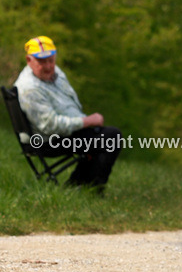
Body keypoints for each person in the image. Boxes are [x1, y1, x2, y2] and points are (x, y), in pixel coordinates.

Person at [14, 35, 122, 192]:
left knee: (104, 136)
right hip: (47, 141)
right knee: (111, 137)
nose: (48, 66)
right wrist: (87, 122)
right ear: (29, 60)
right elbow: (50, 126)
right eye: (42, 62)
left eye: (51, 60)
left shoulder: (54, 72)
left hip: (65, 132)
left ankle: (78, 185)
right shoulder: (30, 88)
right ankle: (91, 188)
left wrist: (85, 123)